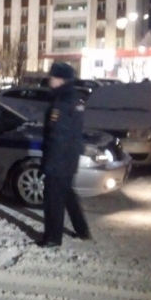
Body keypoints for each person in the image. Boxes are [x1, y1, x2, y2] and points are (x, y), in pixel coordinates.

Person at [38, 61, 92, 247]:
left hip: (59, 158)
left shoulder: (61, 101)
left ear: (61, 80)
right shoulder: (74, 97)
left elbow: (57, 135)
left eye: (52, 76)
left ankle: (53, 237)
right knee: (67, 193)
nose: (49, 79)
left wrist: (49, 162)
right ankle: (82, 229)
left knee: (53, 198)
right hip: (69, 156)